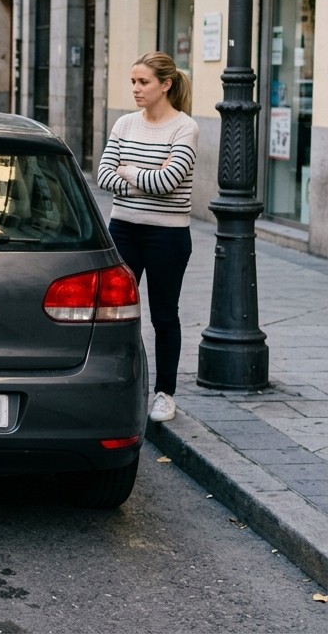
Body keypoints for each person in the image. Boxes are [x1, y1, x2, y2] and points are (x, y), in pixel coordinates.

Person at [97, 50, 198, 424]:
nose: (136, 89)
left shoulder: (184, 127)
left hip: (167, 237)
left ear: (165, 85)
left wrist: (129, 171)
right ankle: (117, 388)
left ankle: (164, 395)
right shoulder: (124, 124)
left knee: (164, 316)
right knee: (115, 314)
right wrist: (144, 175)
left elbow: (169, 183)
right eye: (133, 82)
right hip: (122, 229)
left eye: (144, 82)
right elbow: (103, 176)